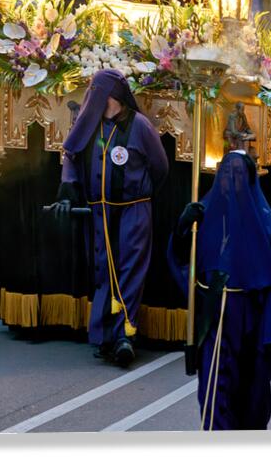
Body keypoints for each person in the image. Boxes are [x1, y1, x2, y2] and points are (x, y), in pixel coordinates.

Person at [53, 69, 169, 367]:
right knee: (104, 270)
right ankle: (103, 335)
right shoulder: (91, 124)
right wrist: (68, 187)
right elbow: (71, 153)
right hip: (100, 210)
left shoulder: (140, 126)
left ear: (111, 96)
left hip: (134, 209)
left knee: (130, 268)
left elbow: (160, 167)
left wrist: (138, 194)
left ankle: (124, 336)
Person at [168, 149, 271, 430]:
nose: (229, 181)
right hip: (214, 317)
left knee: (251, 399)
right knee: (213, 393)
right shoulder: (204, 220)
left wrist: (268, 337)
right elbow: (185, 265)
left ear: (248, 180)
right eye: (224, 174)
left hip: (251, 322)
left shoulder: (270, 228)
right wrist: (183, 229)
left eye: (236, 175)